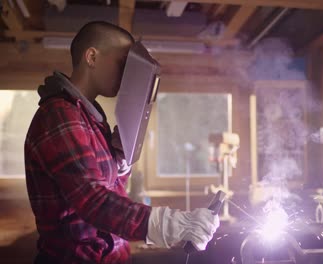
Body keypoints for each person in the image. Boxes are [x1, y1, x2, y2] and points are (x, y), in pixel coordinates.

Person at [24, 21, 219, 264]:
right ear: (92, 57)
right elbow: (93, 201)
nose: (127, 74)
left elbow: (111, 189)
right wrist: (168, 224)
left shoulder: (90, 118)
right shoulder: (59, 116)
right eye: (122, 63)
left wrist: (119, 164)